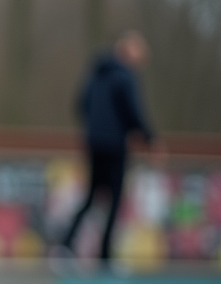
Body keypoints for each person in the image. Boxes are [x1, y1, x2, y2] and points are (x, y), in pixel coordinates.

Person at [59, 30, 159, 266]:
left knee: (91, 196)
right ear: (129, 52)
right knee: (114, 200)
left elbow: (81, 103)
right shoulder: (125, 75)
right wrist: (150, 139)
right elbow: (133, 111)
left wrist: (93, 128)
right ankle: (105, 256)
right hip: (115, 146)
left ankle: (66, 244)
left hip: (94, 143)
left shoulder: (95, 73)